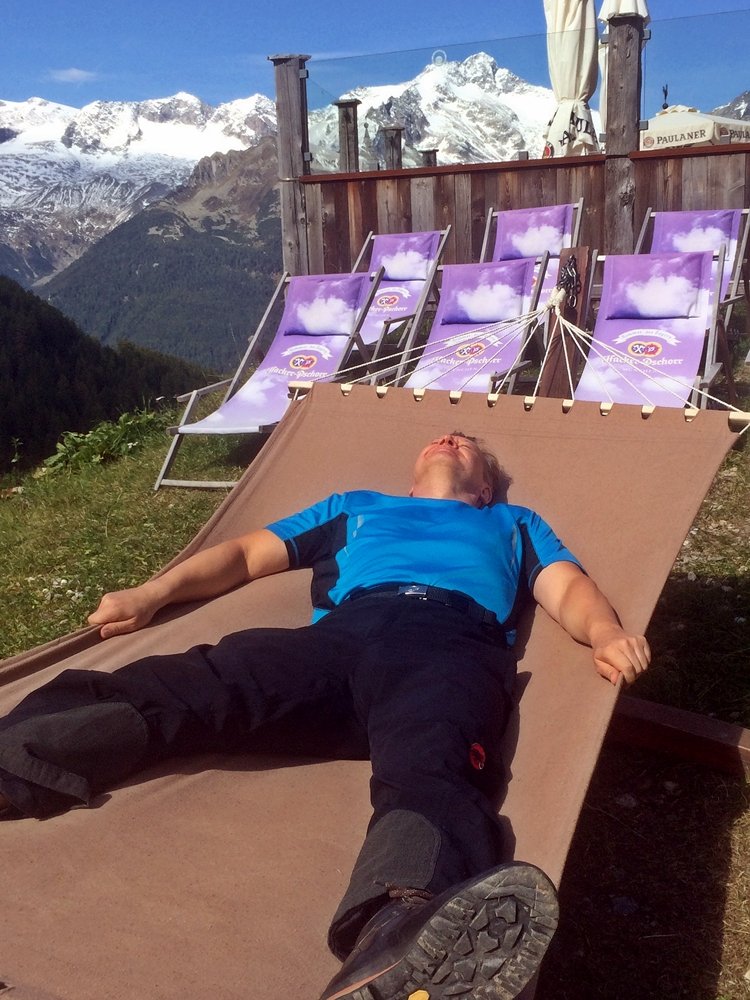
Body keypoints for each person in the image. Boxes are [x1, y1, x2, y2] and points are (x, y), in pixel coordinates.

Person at [0, 432, 650, 1000]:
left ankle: (401, 940)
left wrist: (603, 633)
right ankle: (17, 759)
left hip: (449, 647)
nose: (450, 439)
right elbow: (247, 555)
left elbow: (566, 587)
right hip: (338, 641)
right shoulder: (356, 508)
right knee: (193, 684)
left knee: (435, 769)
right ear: (413, 469)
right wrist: (152, 593)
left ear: (484, 485)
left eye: (468, 443)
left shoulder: (512, 522)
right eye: (441, 437)